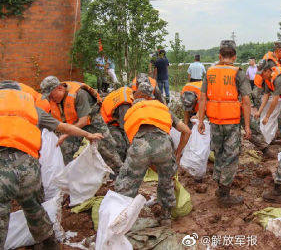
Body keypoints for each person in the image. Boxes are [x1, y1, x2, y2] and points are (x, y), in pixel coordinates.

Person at [0, 80, 103, 249]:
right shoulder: (31, 109)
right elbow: (63, 127)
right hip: (28, 168)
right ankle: (49, 245)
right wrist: (89, 135)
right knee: (34, 209)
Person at [115, 82, 191, 226]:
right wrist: (178, 154)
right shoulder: (162, 109)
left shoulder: (131, 110)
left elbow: (130, 140)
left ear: (137, 95)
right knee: (166, 180)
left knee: (128, 181)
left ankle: (121, 217)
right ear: (151, 96)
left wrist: (145, 162)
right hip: (163, 146)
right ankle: (166, 217)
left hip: (140, 146)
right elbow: (186, 130)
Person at [198, 40, 252, 206]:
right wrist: (247, 126)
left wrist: (200, 120)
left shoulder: (210, 71)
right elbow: (246, 101)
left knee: (219, 153)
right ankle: (224, 194)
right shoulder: (238, 73)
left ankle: (220, 185)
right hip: (231, 121)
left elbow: (203, 97)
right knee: (231, 156)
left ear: (220, 56)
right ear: (234, 57)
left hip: (214, 121)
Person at [40, 76, 122, 172]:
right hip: (73, 124)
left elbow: (83, 121)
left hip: (92, 121)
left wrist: (65, 134)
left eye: (51, 96)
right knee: (64, 148)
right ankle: (65, 175)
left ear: (60, 88)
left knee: (107, 147)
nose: (51, 99)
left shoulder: (79, 94)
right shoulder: (56, 100)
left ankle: (119, 172)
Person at [100, 86, 133, 162]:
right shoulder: (125, 105)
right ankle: (119, 166)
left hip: (116, 119)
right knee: (120, 144)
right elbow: (125, 128)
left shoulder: (129, 93)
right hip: (106, 123)